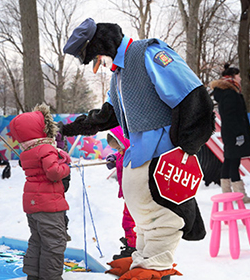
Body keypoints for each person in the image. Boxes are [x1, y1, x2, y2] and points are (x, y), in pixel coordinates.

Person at [61, 18, 213, 280]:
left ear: (103, 48)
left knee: (162, 215)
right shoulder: (119, 75)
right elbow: (109, 114)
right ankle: (142, 259)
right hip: (139, 153)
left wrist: (185, 148)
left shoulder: (149, 53)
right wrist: (73, 128)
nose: (100, 66)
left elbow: (192, 94)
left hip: (163, 154)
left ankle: (155, 267)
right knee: (142, 215)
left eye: (97, 59)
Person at [9, 104, 71, 280]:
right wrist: (65, 166)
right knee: (54, 243)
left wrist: (59, 157)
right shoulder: (45, 148)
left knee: (37, 240)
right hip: (49, 205)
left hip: (33, 205)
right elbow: (54, 172)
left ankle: (33, 276)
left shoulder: (28, 152)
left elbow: (43, 166)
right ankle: (51, 277)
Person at [210, 64, 250, 203]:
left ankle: (227, 194)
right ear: (231, 77)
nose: (241, 78)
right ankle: (240, 195)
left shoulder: (225, 93)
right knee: (234, 162)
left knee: (229, 160)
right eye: (238, 76)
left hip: (229, 132)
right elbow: (231, 116)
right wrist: (238, 134)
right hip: (233, 133)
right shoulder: (230, 94)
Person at [105, 126, 137, 261]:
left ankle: (133, 248)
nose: (118, 151)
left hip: (135, 194)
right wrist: (114, 158)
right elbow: (121, 155)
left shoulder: (133, 154)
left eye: (118, 148)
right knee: (128, 222)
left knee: (130, 222)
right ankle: (131, 244)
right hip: (129, 194)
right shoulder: (125, 153)